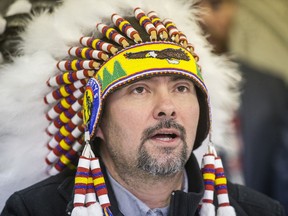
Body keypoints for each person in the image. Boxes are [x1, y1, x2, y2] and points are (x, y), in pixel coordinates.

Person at [0, 0, 286, 215]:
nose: (167, 107)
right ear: (96, 119)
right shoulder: (31, 210)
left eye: (181, 87)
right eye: (139, 89)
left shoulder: (260, 211)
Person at [198, 0, 288, 211]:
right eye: (193, 4)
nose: (205, 16)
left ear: (235, 7)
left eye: (216, 4)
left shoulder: (269, 87)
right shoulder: (165, 88)